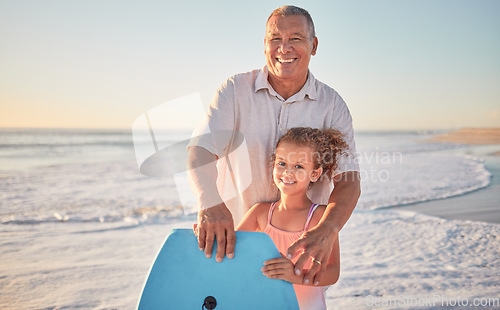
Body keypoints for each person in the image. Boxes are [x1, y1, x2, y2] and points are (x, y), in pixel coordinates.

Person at [187, 5, 360, 286]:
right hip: (235, 248)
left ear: (313, 45)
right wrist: (209, 203)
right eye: (275, 39)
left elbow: (348, 178)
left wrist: (327, 229)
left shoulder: (332, 105)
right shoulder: (234, 90)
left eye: (296, 38)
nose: (284, 48)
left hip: (302, 253)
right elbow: (199, 151)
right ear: (264, 44)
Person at [235, 127, 345, 309]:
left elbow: (333, 272)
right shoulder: (260, 213)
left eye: (299, 166)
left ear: (315, 174)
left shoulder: (321, 217)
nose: (287, 172)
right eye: (282, 163)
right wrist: (209, 234)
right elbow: (232, 249)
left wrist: (295, 275)